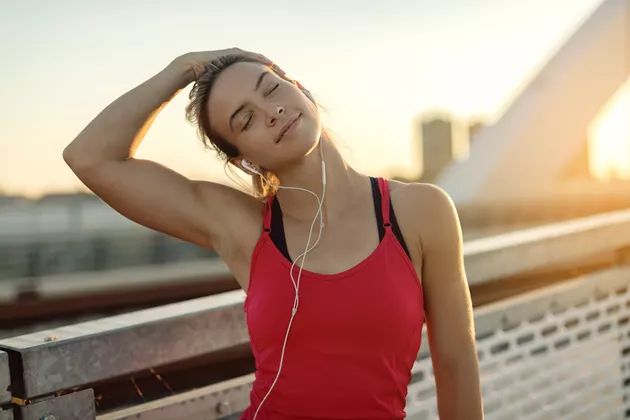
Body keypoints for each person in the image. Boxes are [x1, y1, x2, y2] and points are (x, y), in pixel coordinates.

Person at [62, 48, 484, 419]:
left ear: (300, 88)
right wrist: (182, 69)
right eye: (245, 120)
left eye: (272, 89)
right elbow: (90, 158)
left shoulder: (421, 211)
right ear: (244, 159)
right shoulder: (243, 227)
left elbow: (456, 362)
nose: (271, 112)